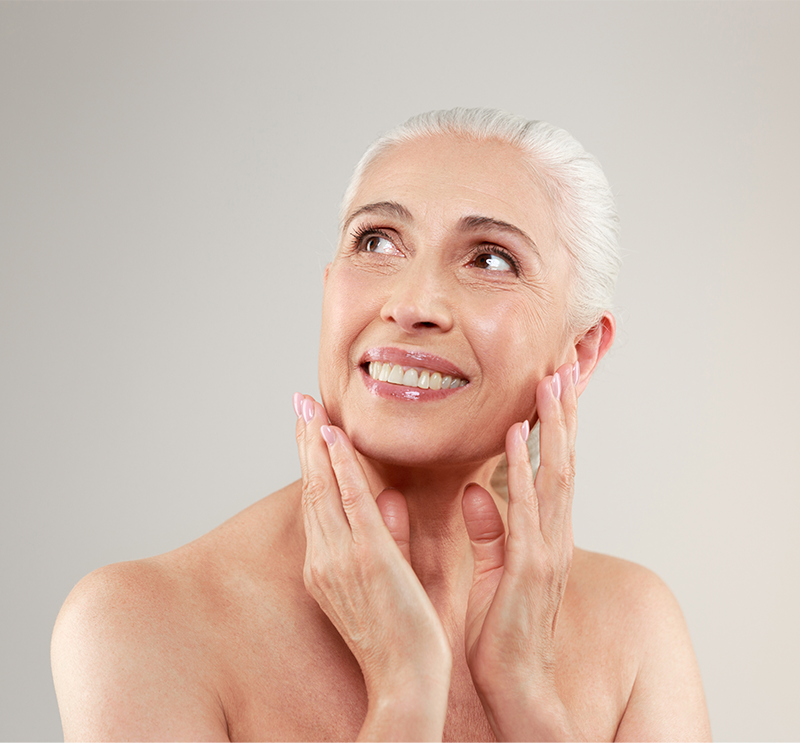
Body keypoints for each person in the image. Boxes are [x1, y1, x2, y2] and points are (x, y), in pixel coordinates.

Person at [51, 108, 711, 741]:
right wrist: (405, 690)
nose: (413, 302)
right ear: (329, 286)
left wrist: (525, 693)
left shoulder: (635, 629)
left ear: (580, 352)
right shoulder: (142, 623)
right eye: (377, 241)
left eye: (490, 259)